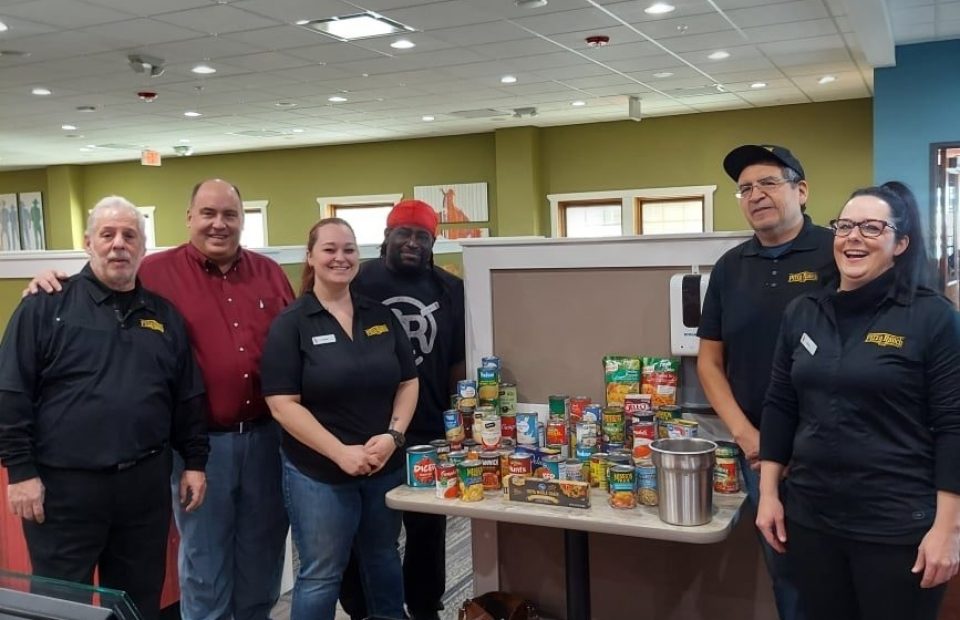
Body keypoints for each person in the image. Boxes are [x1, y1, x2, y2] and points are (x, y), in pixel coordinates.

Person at [24, 179, 294, 620]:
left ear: (243, 220)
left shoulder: (270, 274)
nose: (219, 224)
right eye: (208, 213)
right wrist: (51, 279)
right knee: (205, 565)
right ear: (189, 218)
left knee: (262, 559)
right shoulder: (156, 271)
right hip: (201, 448)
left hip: (267, 439)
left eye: (230, 214)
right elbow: (103, 279)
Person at [756, 181, 960, 620]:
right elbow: (780, 404)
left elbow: (953, 426)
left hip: (895, 524)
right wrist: (769, 494)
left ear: (900, 243)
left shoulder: (932, 317)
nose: (853, 237)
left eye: (871, 227)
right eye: (845, 225)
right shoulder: (804, 311)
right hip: (812, 519)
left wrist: (949, 528)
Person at [0, 196, 209, 620]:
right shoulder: (45, 305)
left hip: (144, 488)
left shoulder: (163, 316)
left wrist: (195, 461)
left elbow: (186, 395)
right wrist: (20, 472)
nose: (119, 245)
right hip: (63, 491)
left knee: (138, 602)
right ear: (88, 242)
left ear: (143, 248)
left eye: (129, 236)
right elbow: (11, 392)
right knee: (61, 606)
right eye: (107, 235)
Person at [697, 144, 837, 620]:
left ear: (801, 190)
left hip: (837, 450)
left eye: (768, 183)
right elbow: (710, 363)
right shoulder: (730, 267)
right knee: (787, 574)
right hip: (760, 453)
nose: (755, 194)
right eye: (745, 188)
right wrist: (747, 437)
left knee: (847, 572)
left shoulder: (837, 253)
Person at [261, 217, 418, 620]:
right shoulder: (291, 324)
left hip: (382, 464)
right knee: (321, 575)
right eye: (329, 249)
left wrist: (393, 437)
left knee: (384, 556)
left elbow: (408, 382)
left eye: (348, 249)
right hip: (318, 474)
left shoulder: (379, 315)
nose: (340, 257)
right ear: (310, 257)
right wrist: (339, 453)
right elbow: (282, 405)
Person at [339, 199, 465, 620]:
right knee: (371, 532)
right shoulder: (357, 283)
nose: (412, 243)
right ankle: (364, 609)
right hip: (367, 430)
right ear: (387, 237)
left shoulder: (450, 289)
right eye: (404, 234)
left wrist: (457, 423)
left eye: (422, 237)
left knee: (428, 529)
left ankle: (426, 607)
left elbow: (456, 360)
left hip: (430, 427)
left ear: (432, 242)